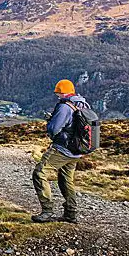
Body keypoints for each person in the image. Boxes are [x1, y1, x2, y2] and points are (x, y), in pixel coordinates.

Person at [31, 79, 88, 224]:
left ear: (62, 92)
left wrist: (50, 124)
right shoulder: (82, 103)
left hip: (63, 149)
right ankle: (70, 213)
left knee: (39, 173)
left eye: (58, 93)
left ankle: (47, 211)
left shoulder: (64, 106)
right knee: (66, 179)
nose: (57, 96)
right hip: (77, 150)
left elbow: (54, 129)